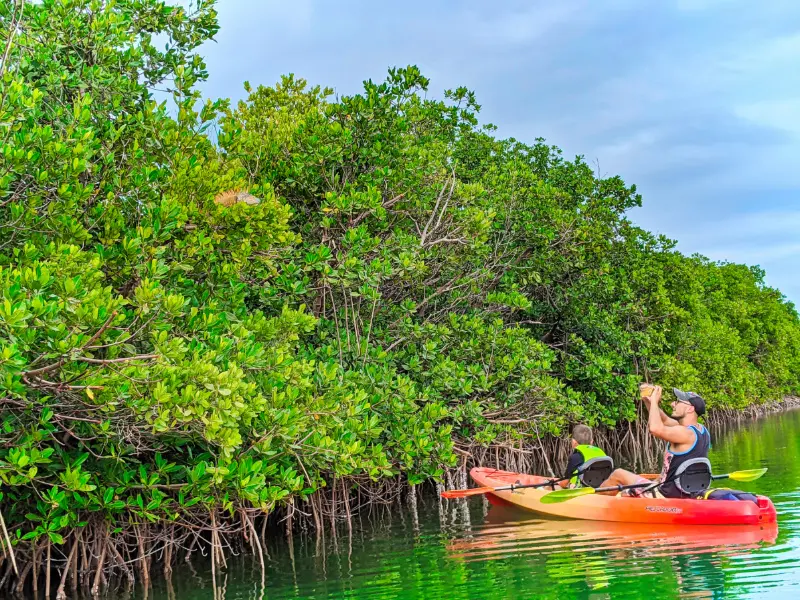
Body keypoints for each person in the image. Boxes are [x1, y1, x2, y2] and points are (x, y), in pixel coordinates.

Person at [600, 384, 710, 498]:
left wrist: (654, 401)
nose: (673, 404)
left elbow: (655, 429)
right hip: (681, 492)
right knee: (624, 493)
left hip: (667, 495)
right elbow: (665, 420)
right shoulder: (701, 430)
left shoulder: (685, 433)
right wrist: (649, 400)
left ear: (690, 408)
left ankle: (594, 503)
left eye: (678, 402)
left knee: (618, 474)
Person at [558, 424, 608, 488]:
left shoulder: (575, 458)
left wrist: (556, 484)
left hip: (581, 491)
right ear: (591, 441)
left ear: (574, 442)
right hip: (600, 489)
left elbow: (565, 482)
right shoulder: (601, 453)